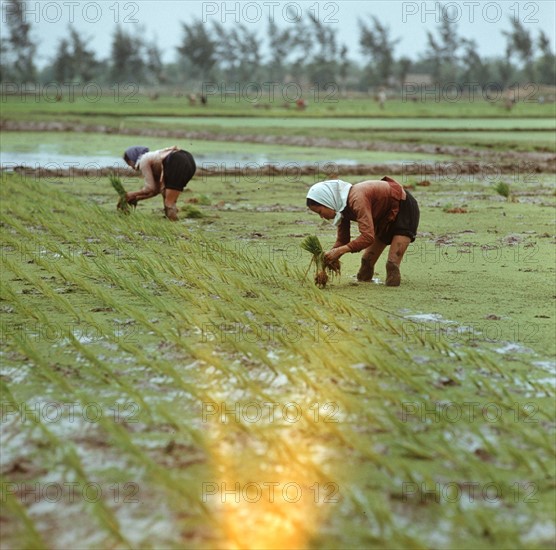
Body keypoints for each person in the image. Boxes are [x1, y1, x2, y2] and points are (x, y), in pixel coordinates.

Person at [306, 177, 420, 286]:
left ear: (327, 201)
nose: (321, 217)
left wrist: (340, 251)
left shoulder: (357, 199)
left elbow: (367, 237)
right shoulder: (341, 208)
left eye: (320, 211)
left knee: (392, 264)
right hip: (383, 217)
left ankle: (393, 300)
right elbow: (342, 240)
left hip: (404, 208)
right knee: (366, 263)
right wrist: (328, 258)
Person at [122, 145, 197, 221]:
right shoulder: (155, 159)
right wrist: (136, 198)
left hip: (176, 160)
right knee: (167, 195)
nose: (132, 167)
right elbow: (156, 190)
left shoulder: (143, 160)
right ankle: (170, 219)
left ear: (132, 159)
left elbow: (150, 188)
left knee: (169, 203)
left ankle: (173, 225)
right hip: (189, 160)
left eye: (129, 164)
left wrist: (130, 195)